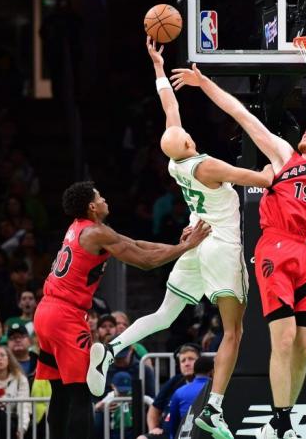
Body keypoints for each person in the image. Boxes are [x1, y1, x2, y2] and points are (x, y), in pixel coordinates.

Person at [172, 60, 306, 439]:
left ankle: (281, 418)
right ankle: (281, 424)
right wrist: (203, 83)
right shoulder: (284, 156)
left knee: (303, 346)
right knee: (282, 339)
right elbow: (242, 114)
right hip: (275, 249)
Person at [87, 38, 274, 439]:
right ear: (189, 143)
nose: (185, 130)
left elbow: (170, 108)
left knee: (165, 314)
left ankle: (111, 350)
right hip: (221, 246)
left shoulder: (175, 164)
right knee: (234, 332)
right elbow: (260, 178)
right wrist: (284, 160)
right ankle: (216, 409)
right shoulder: (207, 166)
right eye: (186, 134)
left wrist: (158, 68)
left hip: (196, 242)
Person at [33, 180, 210, 439]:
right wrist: (185, 248)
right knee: (82, 391)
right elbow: (145, 261)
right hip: (65, 315)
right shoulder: (96, 233)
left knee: (60, 390)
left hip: (46, 311)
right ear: (92, 206)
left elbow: (137, 244)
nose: (106, 199)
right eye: (100, 196)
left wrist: (180, 245)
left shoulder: (81, 228)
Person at [138, 344, 200, 439]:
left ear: (199, 362)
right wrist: (153, 429)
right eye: (183, 361)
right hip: (166, 434)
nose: (187, 363)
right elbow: (154, 409)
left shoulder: (207, 383)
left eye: (191, 359)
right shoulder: (174, 381)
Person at [166, 356, 214, 439]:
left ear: (194, 371)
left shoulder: (179, 392)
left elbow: (173, 425)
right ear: (212, 371)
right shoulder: (217, 390)